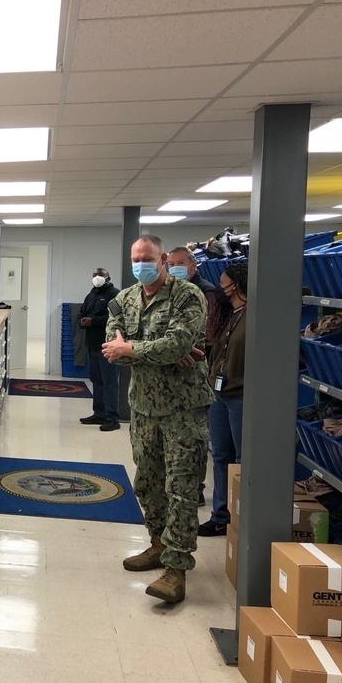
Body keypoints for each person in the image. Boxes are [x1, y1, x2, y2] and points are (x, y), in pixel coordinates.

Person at [102, 234, 212, 604]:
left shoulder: (188, 296)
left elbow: (179, 344)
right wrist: (154, 351)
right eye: (134, 258)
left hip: (183, 408)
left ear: (162, 258)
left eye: (146, 257)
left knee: (181, 490)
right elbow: (110, 348)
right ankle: (157, 545)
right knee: (147, 484)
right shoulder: (125, 299)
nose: (139, 264)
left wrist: (134, 347)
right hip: (144, 408)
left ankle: (176, 570)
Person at [198, 262, 248, 537]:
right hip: (219, 394)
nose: (220, 287)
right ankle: (220, 516)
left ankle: (241, 517)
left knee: (241, 459)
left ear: (237, 284)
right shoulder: (226, 314)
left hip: (242, 396)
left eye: (224, 282)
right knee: (220, 455)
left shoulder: (255, 315)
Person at [167, 246, 218, 507]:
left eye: (180, 263)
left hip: (196, 374)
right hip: (170, 380)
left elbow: (207, 333)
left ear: (193, 265)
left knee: (194, 436)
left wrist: (179, 349)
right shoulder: (169, 291)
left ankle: (195, 489)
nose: (174, 267)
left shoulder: (204, 291)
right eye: (171, 263)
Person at [78, 268, 121, 431]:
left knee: (109, 382)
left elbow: (116, 318)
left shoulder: (115, 294)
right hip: (92, 343)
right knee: (96, 380)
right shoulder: (91, 295)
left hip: (107, 345)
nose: (97, 278)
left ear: (108, 278)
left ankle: (112, 418)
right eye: (94, 275)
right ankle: (99, 413)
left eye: (100, 275)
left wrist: (93, 321)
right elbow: (82, 313)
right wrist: (82, 321)